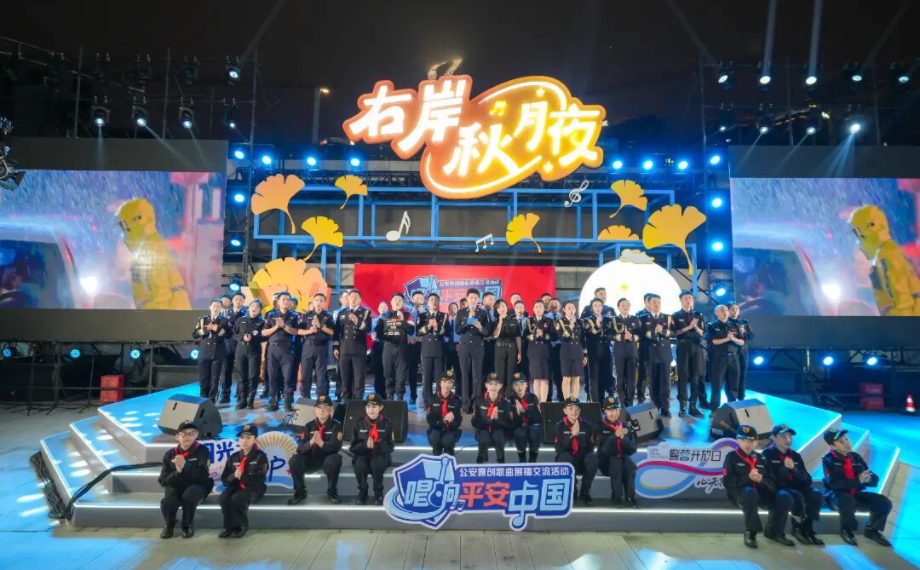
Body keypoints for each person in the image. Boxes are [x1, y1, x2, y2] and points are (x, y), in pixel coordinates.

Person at [722, 425, 794, 548]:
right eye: (743, 440)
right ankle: (751, 532)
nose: (747, 443)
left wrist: (761, 480)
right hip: (740, 495)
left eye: (750, 440)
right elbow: (727, 481)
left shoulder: (762, 458)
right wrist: (748, 478)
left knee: (784, 496)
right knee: (750, 492)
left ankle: (774, 531)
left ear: (756, 442)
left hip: (760, 493)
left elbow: (772, 482)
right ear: (737, 440)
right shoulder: (731, 457)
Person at [822, 428, 892, 546]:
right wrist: (858, 480)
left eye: (846, 439)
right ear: (832, 446)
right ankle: (847, 530)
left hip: (855, 494)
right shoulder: (828, 460)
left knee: (884, 502)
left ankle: (872, 530)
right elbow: (834, 483)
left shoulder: (856, 457)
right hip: (836, 496)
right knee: (847, 500)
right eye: (841, 441)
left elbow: (872, 477)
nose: (846, 443)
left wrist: (868, 479)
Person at [762, 424, 824, 545]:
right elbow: (771, 480)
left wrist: (794, 469)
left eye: (790, 436)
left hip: (796, 487)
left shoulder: (795, 456)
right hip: (778, 488)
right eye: (783, 436)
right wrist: (785, 468)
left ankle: (807, 529)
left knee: (816, 494)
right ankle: (784, 529)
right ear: (774, 438)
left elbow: (807, 479)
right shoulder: (767, 454)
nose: (788, 439)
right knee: (794, 495)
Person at [158, 420, 213, 539]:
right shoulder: (169, 454)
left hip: (197, 486)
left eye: (191, 433)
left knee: (189, 496)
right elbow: (162, 480)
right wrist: (177, 472)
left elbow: (202, 476)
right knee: (167, 502)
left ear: (196, 435)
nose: (187, 437)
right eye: (183, 434)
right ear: (177, 437)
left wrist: (185, 465)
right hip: (176, 486)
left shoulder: (202, 451)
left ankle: (187, 524)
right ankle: (169, 524)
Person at [288, 395, 343, 505]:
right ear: (315, 409)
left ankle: (332, 491)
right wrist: (311, 442)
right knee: (294, 459)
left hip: (327, 460)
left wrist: (321, 443)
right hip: (312, 459)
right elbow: (300, 448)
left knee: (336, 458)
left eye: (325, 408)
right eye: (319, 408)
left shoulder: (336, 426)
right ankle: (300, 491)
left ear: (330, 409)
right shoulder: (309, 425)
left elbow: (336, 447)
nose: (321, 411)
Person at [218, 424, 268, 539]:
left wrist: (243, 477)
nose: (244, 441)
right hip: (236, 487)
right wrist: (233, 476)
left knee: (237, 498)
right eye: (241, 437)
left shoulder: (260, 456)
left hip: (254, 488)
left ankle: (242, 525)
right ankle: (228, 526)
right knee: (223, 498)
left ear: (255, 440)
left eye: (248, 438)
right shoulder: (234, 457)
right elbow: (224, 479)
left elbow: (261, 477)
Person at [349, 394, 395, 505]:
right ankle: (363, 491)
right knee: (360, 465)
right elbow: (353, 447)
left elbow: (390, 447)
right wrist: (365, 445)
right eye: (368, 406)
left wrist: (376, 446)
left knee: (377, 464)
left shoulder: (387, 423)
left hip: (380, 454)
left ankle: (378, 492)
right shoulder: (358, 423)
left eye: (374, 407)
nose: (371, 410)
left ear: (381, 407)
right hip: (362, 454)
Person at [593, 396, 638, 507]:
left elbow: (632, 448)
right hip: (605, 462)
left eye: (616, 409)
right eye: (610, 410)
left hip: (621, 458)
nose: (614, 413)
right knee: (616, 463)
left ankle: (630, 497)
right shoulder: (600, 427)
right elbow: (604, 450)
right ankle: (616, 497)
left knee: (631, 466)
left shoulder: (624, 425)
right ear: (605, 411)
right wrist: (615, 436)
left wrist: (623, 438)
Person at [260, 292, 300, 411]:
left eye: (288, 300)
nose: (286, 301)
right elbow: (265, 332)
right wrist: (277, 327)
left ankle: (288, 403)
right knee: (273, 377)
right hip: (273, 348)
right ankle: (273, 403)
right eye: (283, 299)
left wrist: (284, 326)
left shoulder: (294, 316)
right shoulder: (271, 315)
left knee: (288, 377)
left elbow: (296, 331)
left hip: (287, 349)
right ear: (278, 301)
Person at [554, 397, 598, 506]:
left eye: (577, 409)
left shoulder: (586, 426)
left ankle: (585, 491)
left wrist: (579, 437)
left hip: (581, 460)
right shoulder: (559, 426)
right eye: (571, 408)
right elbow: (559, 449)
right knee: (565, 457)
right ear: (565, 410)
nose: (574, 412)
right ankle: (572, 491)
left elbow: (590, 448)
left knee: (593, 458)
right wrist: (571, 436)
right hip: (566, 461)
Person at [456, 289, 493, 412]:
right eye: (471, 298)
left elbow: (487, 332)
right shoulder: (461, 312)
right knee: (465, 376)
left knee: (477, 377)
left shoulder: (483, 313)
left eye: (476, 298)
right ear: (467, 299)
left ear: (478, 300)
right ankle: (465, 404)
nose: (473, 300)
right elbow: (457, 330)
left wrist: (480, 327)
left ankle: (476, 404)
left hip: (478, 348)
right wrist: (467, 320)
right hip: (464, 348)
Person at [334, 289, 372, 401]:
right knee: (345, 377)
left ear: (360, 300)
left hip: (359, 349)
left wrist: (357, 321)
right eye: (351, 297)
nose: (353, 299)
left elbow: (368, 329)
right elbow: (337, 332)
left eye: (356, 297)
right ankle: (346, 400)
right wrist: (335, 347)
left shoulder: (365, 312)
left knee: (358, 377)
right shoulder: (342, 312)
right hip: (344, 349)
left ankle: (358, 400)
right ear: (348, 299)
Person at [672, 291, 706, 418]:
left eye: (690, 298)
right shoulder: (676, 315)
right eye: (686, 298)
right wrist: (689, 327)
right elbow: (675, 333)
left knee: (696, 376)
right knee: (683, 376)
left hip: (697, 346)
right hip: (683, 346)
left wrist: (695, 326)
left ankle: (693, 406)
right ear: (681, 301)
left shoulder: (698, 315)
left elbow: (703, 333)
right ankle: (682, 407)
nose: (688, 301)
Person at [376, 293, 415, 400]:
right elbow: (379, 332)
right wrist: (378, 334)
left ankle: (400, 397)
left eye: (400, 300)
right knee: (388, 374)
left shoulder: (407, 315)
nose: (397, 301)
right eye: (395, 299)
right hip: (388, 348)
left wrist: (402, 320)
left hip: (402, 349)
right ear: (391, 302)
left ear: (402, 303)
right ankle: (389, 397)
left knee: (401, 375)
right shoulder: (385, 315)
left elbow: (411, 331)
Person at [640, 294, 673, 417]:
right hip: (651, 353)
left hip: (665, 354)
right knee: (653, 381)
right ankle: (655, 407)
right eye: (654, 302)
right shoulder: (643, 318)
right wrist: (654, 332)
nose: (656, 304)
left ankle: (665, 408)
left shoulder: (667, 317)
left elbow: (673, 333)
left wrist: (662, 331)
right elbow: (642, 334)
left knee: (665, 382)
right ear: (648, 304)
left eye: (658, 302)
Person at [297, 292, 335, 399]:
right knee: (305, 375)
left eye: (321, 301)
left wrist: (320, 326)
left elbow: (333, 332)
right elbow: (299, 331)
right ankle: (305, 398)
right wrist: (309, 331)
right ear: (313, 302)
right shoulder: (306, 315)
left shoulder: (328, 316)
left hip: (322, 348)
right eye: (317, 300)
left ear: (324, 303)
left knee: (321, 376)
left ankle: (321, 399)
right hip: (308, 347)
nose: (318, 303)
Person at [193, 299, 231, 402]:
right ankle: (202, 400)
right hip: (204, 351)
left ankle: (211, 401)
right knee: (203, 378)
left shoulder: (224, 321)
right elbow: (194, 335)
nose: (216, 308)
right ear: (210, 307)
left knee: (214, 378)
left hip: (217, 352)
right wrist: (207, 329)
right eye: (214, 306)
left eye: (218, 306)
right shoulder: (203, 320)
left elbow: (229, 335)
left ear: (221, 308)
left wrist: (217, 329)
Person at [707, 305, 743, 415]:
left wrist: (733, 339)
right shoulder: (712, 325)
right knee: (717, 385)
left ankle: (732, 408)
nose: (725, 312)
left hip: (733, 358)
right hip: (719, 358)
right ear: (716, 313)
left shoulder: (734, 325)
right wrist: (727, 339)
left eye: (726, 310)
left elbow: (742, 342)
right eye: (722, 310)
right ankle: (714, 409)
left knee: (733, 385)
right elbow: (713, 341)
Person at [472, 373, 514, 463]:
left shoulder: (506, 403)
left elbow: (511, 424)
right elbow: (475, 423)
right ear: (486, 385)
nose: (493, 387)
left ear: (500, 386)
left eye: (496, 384)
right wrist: (489, 419)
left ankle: (501, 460)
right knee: (484, 436)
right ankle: (480, 460)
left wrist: (499, 419)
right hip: (483, 431)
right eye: (491, 384)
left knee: (498, 436)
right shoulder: (479, 401)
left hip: (499, 432)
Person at [232, 300, 266, 409]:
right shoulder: (241, 319)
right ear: (249, 308)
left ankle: (251, 400)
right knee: (241, 375)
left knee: (253, 376)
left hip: (254, 350)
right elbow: (233, 333)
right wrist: (242, 337)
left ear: (260, 310)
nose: (254, 308)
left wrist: (254, 338)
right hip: (241, 349)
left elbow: (266, 336)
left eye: (257, 307)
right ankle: (242, 400)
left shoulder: (262, 322)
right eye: (252, 306)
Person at [418, 292, 448, 407]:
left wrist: (437, 326)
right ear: (427, 302)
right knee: (426, 377)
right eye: (431, 300)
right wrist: (427, 327)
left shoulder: (444, 316)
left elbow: (447, 332)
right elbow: (418, 332)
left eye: (436, 300)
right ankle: (428, 402)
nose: (434, 302)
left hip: (439, 350)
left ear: (439, 302)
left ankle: (439, 401)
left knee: (440, 377)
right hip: (426, 350)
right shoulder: (422, 316)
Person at [611, 298, 641, 407]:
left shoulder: (635, 319)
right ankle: (622, 403)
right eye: (623, 305)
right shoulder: (614, 320)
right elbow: (609, 334)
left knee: (631, 380)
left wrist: (632, 337)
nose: (625, 307)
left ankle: (630, 403)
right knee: (620, 380)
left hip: (632, 352)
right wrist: (620, 337)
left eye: (627, 305)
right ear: (618, 307)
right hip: (619, 352)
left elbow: (640, 334)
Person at [583, 297, 613, 403]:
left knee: (605, 377)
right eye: (595, 305)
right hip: (593, 352)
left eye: (599, 305)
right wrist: (597, 324)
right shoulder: (587, 320)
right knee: (594, 378)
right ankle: (595, 403)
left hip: (606, 351)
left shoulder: (608, 319)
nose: (598, 307)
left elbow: (611, 333)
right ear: (592, 308)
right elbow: (588, 333)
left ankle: (604, 402)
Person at [426, 371, 463, 456]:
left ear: (453, 385)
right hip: (436, 429)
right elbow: (430, 420)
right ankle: (436, 454)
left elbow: (458, 422)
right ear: (440, 382)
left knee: (448, 440)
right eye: (444, 382)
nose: (446, 385)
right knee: (434, 437)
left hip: (451, 430)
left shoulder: (457, 400)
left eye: (450, 382)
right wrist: (443, 420)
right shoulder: (432, 399)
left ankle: (449, 454)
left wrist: (451, 421)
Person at [556, 301, 587, 400]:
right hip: (566, 352)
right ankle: (567, 400)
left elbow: (582, 339)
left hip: (577, 352)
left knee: (576, 378)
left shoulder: (579, 321)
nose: (571, 310)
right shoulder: (560, 322)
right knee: (566, 378)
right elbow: (562, 338)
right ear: (564, 310)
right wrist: (570, 327)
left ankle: (575, 399)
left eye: (573, 308)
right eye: (569, 308)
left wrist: (585, 355)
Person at [220, 292, 247, 404]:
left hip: (241, 345)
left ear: (244, 301)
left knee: (242, 370)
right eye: (236, 299)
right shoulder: (226, 313)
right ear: (232, 301)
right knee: (226, 371)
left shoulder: (247, 313)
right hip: (228, 345)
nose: (238, 301)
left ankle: (240, 393)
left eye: (241, 299)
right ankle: (225, 394)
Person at [526, 300, 555, 403]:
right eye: (536, 307)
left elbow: (554, 336)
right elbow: (525, 336)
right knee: (536, 379)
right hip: (533, 352)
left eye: (540, 307)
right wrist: (535, 336)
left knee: (544, 379)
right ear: (533, 309)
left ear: (544, 309)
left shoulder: (549, 321)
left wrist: (543, 335)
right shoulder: (529, 321)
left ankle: (543, 403)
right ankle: (537, 403)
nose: (538, 309)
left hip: (545, 352)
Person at [509, 373, 542, 463]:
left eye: (522, 384)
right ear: (512, 387)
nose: (519, 387)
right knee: (520, 433)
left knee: (534, 433)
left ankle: (533, 459)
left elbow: (538, 417)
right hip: (518, 426)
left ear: (526, 385)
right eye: (516, 384)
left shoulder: (533, 398)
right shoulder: (510, 400)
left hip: (532, 424)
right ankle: (522, 459)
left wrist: (524, 412)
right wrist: (517, 415)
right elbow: (510, 422)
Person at [492, 299, 522, 391]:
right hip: (499, 348)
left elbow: (517, 337)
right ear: (497, 310)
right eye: (499, 307)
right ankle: (500, 395)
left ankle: (509, 396)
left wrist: (519, 352)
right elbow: (495, 335)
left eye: (504, 306)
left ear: (507, 308)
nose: (502, 308)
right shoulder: (495, 321)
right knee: (499, 373)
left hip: (512, 348)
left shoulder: (514, 320)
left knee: (511, 373)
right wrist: (500, 322)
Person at [728, 302, 754, 399]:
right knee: (733, 376)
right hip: (732, 351)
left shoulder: (743, 322)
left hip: (743, 351)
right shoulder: (726, 323)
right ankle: (732, 398)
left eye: (736, 309)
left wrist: (744, 332)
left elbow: (751, 336)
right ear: (728, 311)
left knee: (742, 375)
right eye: (732, 309)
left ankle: (741, 397)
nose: (735, 311)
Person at [405, 290, 426, 404]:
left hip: (424, 344)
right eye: (417, 298)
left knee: (426, 370)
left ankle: (427, 396)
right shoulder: (408, 313)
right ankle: (413, 395)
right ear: (412, 300)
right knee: (412, 370)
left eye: (421, 298)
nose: (419, 300)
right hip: (412, 344)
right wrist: (409, 337)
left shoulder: (427, 312)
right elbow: (405, 328)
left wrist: (422, 338)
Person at [635, 294, 653, 405]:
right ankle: (640, 398)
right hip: (644, 347)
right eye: (650, 301)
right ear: (645, 302)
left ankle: (655, 398)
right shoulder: (639, 315)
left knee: (655, 374)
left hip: (656, 348)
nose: (653, 304)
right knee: (643, 373)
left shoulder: (659, 315)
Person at [547, 298, 564, 401]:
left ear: (560, 306)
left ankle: (561, 395)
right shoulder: (545, 317)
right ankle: (548, 396)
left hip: (561, 347)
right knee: (549, 372)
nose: (554, 305)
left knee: (560, 372)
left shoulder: (563, 317)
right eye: (551, 303)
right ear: (548, 306)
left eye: (556, 303)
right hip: (549, 347)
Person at [371, 301, 388, 398]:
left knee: (387, 370)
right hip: (377, 346)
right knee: (378, 370)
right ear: (378, 309)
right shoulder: (374, 320)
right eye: (381, 307)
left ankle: (387, 392)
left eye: (385, 307)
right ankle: (378, 392)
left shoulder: (391, 320)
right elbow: (370, 331)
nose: (383, 308)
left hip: (388, 346)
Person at [481, 291, 497, 377]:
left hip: (494, 343)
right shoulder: (478, 312)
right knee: (481, 369)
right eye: (490, 299)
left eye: (494, 299)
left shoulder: (496, 312)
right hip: (481, 343)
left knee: (492, 369)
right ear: (484, 301)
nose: (493, 301)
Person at [513, 300, 529, 374]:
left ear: (524, 309)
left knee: (525, 367)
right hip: (514, 346)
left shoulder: (528, 320)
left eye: (521, 307)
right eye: (517, 307)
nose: (519, 309)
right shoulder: (511, 320)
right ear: (514, 309)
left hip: (526, 345)